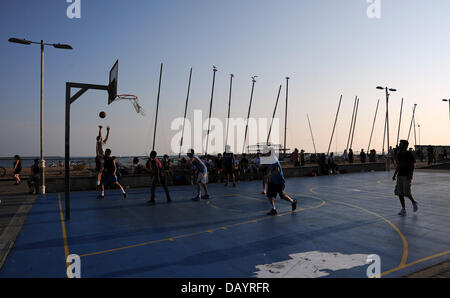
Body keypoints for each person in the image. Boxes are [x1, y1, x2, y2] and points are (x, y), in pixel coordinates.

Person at [392, 140, 418, 216]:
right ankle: (403, 209)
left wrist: (410, 175)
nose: (399, 145)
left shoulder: (409, 154)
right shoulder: (399, 154)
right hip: (400, 175)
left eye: (401, 144)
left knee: (407, 192)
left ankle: (414, 202)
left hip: (407, 175)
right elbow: (399, 165)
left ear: (405, 145)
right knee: (400, 193)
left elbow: (413, 165)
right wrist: (394, 174)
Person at [95, 125, 110, 190]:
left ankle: (101, 184)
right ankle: (98, 184)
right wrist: (100, 129)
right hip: (101, 157)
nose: (100, 138)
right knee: (100, 172)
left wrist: (108, 131)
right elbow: (100, 135)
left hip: (103, 157)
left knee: (103, 172)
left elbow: (106, 137)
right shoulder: (98, 142)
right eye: (99, 138)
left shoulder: (103, 142)